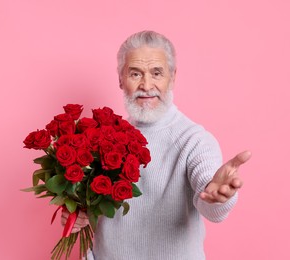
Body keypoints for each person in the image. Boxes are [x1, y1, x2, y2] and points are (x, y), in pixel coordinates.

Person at [62, 30, 251, 260]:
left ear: (172, 77)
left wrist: (218, 195)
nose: (146, 85)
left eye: (157, 73)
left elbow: (210, 199)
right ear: (121, 79)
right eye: (135, 74)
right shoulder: (104, 136)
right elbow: (100, 210)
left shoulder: (194, 140)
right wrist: (78, 213)